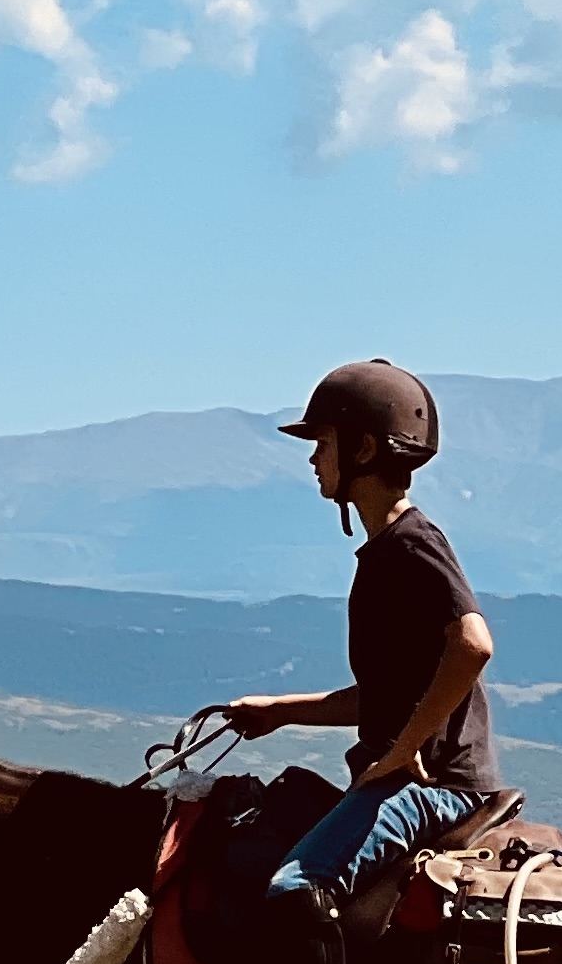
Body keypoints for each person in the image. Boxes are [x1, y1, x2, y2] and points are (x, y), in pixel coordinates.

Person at [202, 359, 499, 925]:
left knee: (296, 887)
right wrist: (281, 711)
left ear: (363, 449)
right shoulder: (386, 550)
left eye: (323, 443)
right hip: (408, 778)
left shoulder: (411, 543)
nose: (314, 458)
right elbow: (387, 697)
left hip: (435, 787)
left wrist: (403, 751)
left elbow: (473, 644)